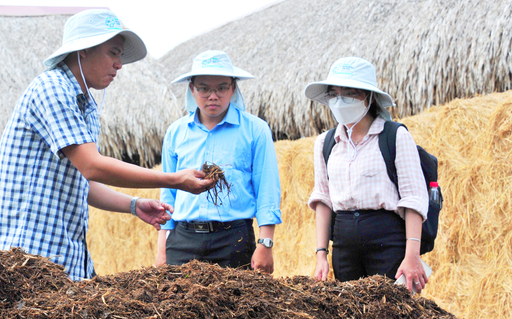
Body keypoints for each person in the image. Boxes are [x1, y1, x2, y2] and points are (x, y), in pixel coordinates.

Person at [0, 9, 215, 280]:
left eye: (120, 55)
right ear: (83, 50)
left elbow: (82, 182)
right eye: (113, 52)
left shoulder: (86, 106)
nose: (119, 64)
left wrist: (134, 205)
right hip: (27, 260)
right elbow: (92, 166)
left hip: (66, 260)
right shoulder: (51, 88)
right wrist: (173, 180)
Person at [304, 57, 429, 293]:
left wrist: (412, 255)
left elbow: (414, 198)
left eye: (350, 93)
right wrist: (321, 254)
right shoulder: (325, 143)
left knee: (393, 315)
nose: (341, 101)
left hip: (387, 240)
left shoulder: (394, 136)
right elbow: (323, 199)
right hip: (344, 244)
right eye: (334, 94)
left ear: (369, 97)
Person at [155, 51, 282, 273]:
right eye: (204, 88)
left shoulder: (255, 130)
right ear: (192, 89)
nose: (213, 96)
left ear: (233, 88)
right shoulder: (176, 132)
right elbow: (168, 193)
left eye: (221, 88)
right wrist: (162, 247)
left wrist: (266, 243)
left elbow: (267, 189)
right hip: (183, 240)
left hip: (234, 240)